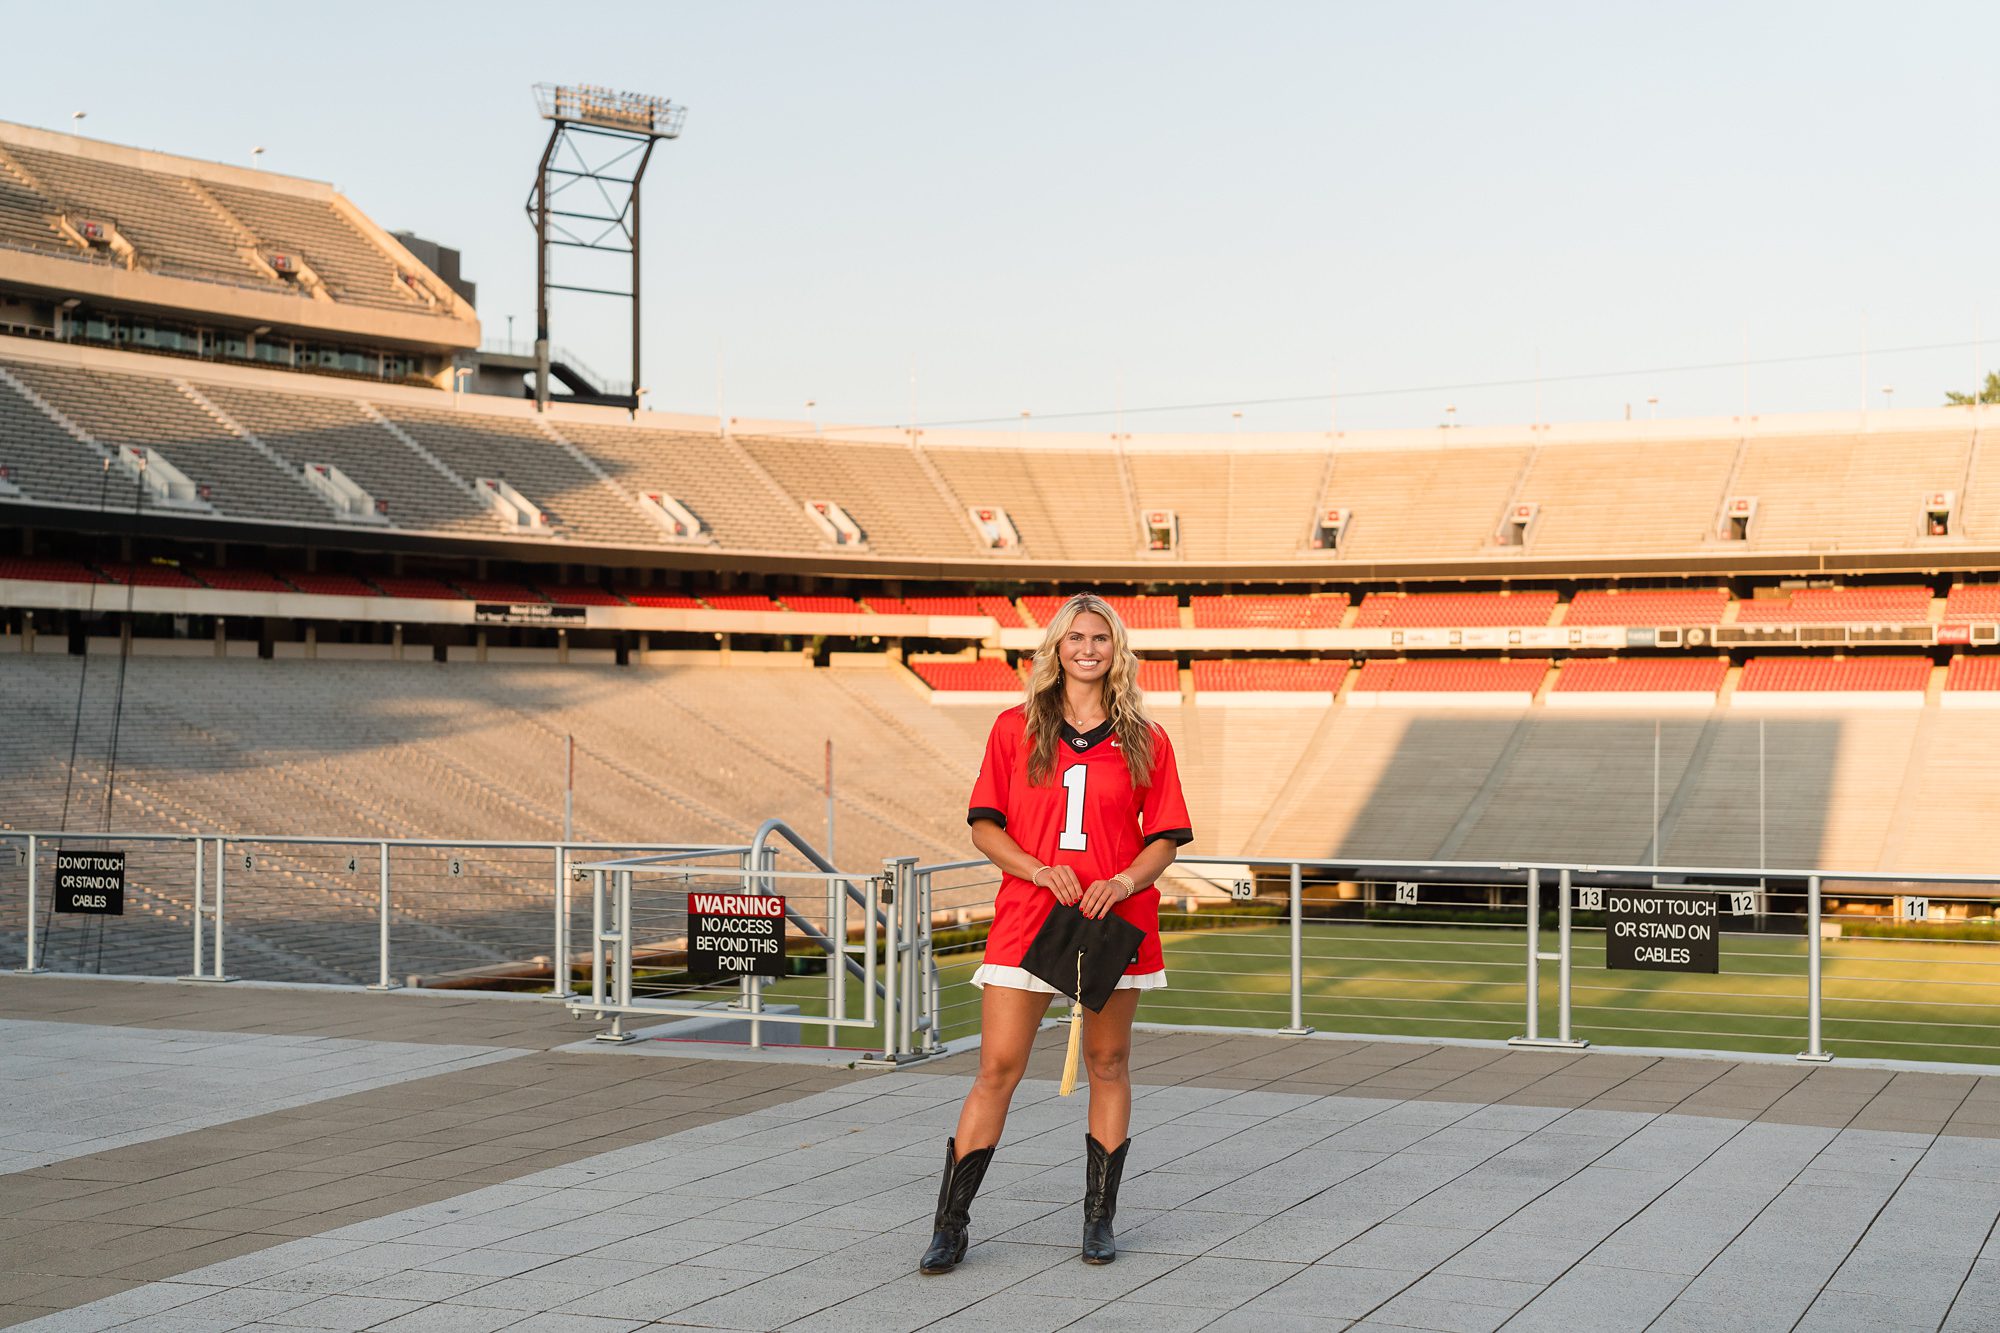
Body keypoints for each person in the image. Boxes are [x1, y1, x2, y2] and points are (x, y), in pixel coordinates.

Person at [919, 592, 1193, 1275]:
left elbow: (1165, 840)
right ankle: (950, 1224)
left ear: (1116, 647)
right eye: (1075, 637)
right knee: (997, 1067)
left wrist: (1125, 880)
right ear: (1057, 647)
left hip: (1113, 917)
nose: (1088, 647)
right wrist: (1039, 870)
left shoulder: (1146, 738)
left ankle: (1098, 1219)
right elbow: (985, 825)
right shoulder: (1016, 727)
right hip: (1028, 913)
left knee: (1108, 1063)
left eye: (1100, 636)